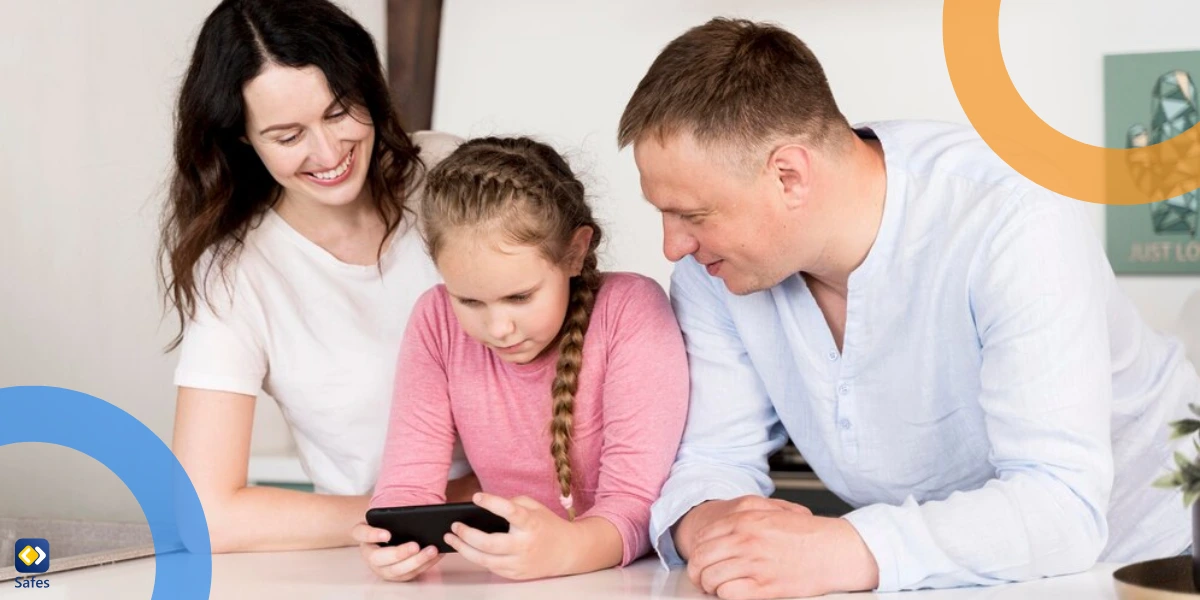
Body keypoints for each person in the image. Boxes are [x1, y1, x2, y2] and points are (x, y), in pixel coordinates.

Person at [617, 17, 1198, 598]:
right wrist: (715, 528)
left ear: (788, 175)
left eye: (693, 216)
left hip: (1150, 560)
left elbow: (1060, 507)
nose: (673, 247)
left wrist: (842, 548)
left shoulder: (1014, 220)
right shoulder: (712, 272)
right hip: (940, 578)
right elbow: (711, 459)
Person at [160, 0, 476, 553]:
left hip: (550, 532)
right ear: (243, 138)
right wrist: (416, 513)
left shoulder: (448, 173)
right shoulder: (237, 274)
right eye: (287, 136)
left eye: (339, 112)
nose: (329, 152)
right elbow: (204, 515)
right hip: (386, 561)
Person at [351, 137, 690, 581]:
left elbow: (636, 504)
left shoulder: (630, 310)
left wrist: (566, 551)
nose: (498, 328)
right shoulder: (435, 320)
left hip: (630, 581)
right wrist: (392, 542)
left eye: (520, 296)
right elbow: (406, 487)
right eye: (470, 301)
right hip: (506, 579)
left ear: (575, 251)